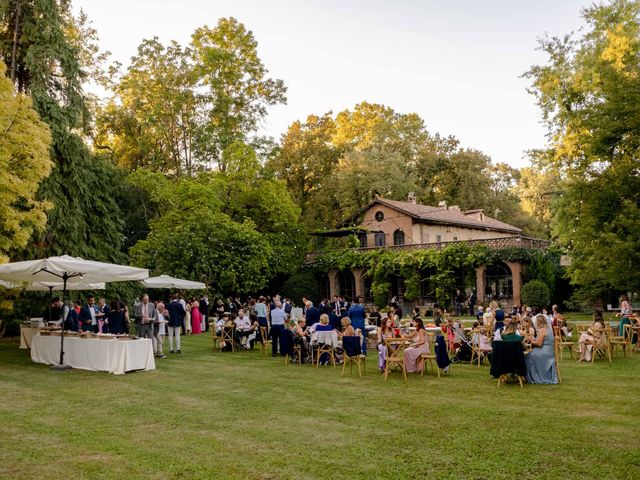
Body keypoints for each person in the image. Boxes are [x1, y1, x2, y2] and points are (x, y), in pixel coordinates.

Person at [525, 314, 559, 384]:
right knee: (530, 354)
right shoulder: (548, 329)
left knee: (528, 356)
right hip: (549, 352)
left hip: (543, 352)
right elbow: (542, 341)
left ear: (539, 322)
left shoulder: (542, 330)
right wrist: (533, 339)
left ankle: (534, 376)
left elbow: (539, 344)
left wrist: (531, 341)